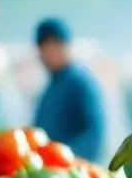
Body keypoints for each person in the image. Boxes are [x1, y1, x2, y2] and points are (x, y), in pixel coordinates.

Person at [32, 18, 106, 162]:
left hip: (73, 170)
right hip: (49, 169)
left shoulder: (81, 83)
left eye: (55, 45)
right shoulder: (49, 89)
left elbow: (93, 133)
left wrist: (66, 158)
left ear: (66, 46)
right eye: (44, 47)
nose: (50, 53)